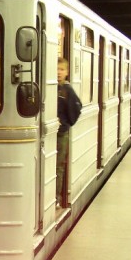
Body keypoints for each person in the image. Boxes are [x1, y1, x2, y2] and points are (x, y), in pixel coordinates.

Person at [56, 57, 81, 209]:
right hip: (52, 133)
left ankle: (56, 197)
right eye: (56, 69)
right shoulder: (51, 87)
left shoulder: (67, 90)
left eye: (62, 69)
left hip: (61, 134)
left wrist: (66, 124)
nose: (59, 72)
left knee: (58, 166)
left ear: (67, 72)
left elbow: (76, 109)